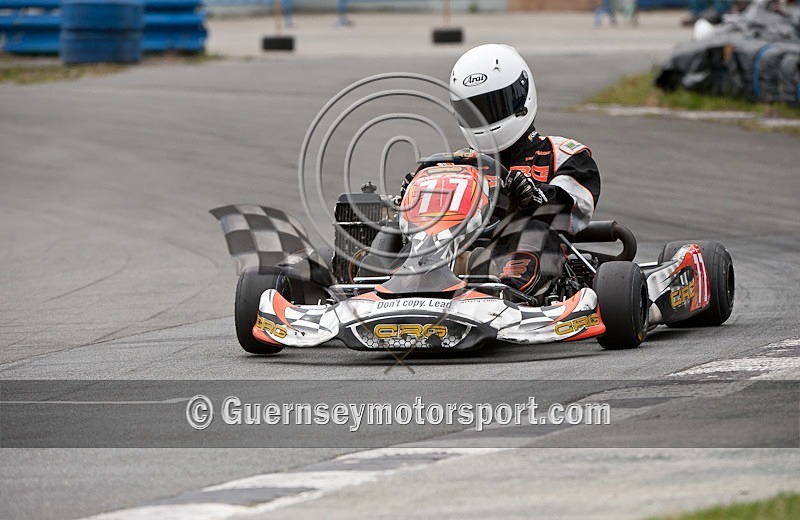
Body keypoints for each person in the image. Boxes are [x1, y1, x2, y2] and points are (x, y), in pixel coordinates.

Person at [401, 44, 601, 302]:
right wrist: (415, 196)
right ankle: (394, 288)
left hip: (531, 251)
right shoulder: (457, 165)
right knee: (406, 236)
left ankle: (508, 295)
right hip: (459, 251)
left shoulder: (563, 154)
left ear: (520, 97)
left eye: (493, 106)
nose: (485, 118)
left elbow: (574, 207)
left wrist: (535, 197)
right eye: (474, 109)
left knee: (532, 230)